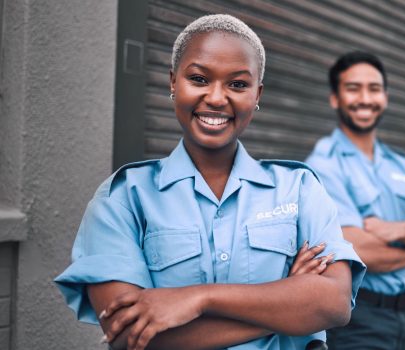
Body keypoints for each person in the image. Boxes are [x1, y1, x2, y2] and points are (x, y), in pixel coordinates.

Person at [55, 15, 365, 350]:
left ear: (257, 94)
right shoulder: (124, 198)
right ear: (173, 82)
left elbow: (333, 303)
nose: (217, 98)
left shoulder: (299, 188)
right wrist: (286, 303)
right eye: (199, 79)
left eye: (238, 84)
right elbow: (128, 334)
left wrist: (198, 298)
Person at [305, 51, 405, 350]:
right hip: (359, 320)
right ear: (335, 99)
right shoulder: (325, 165)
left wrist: (398, 231)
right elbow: (358, 250)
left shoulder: (401, 165)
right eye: (353, 88)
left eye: (374, 89)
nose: (365, 98)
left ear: (385, 98)